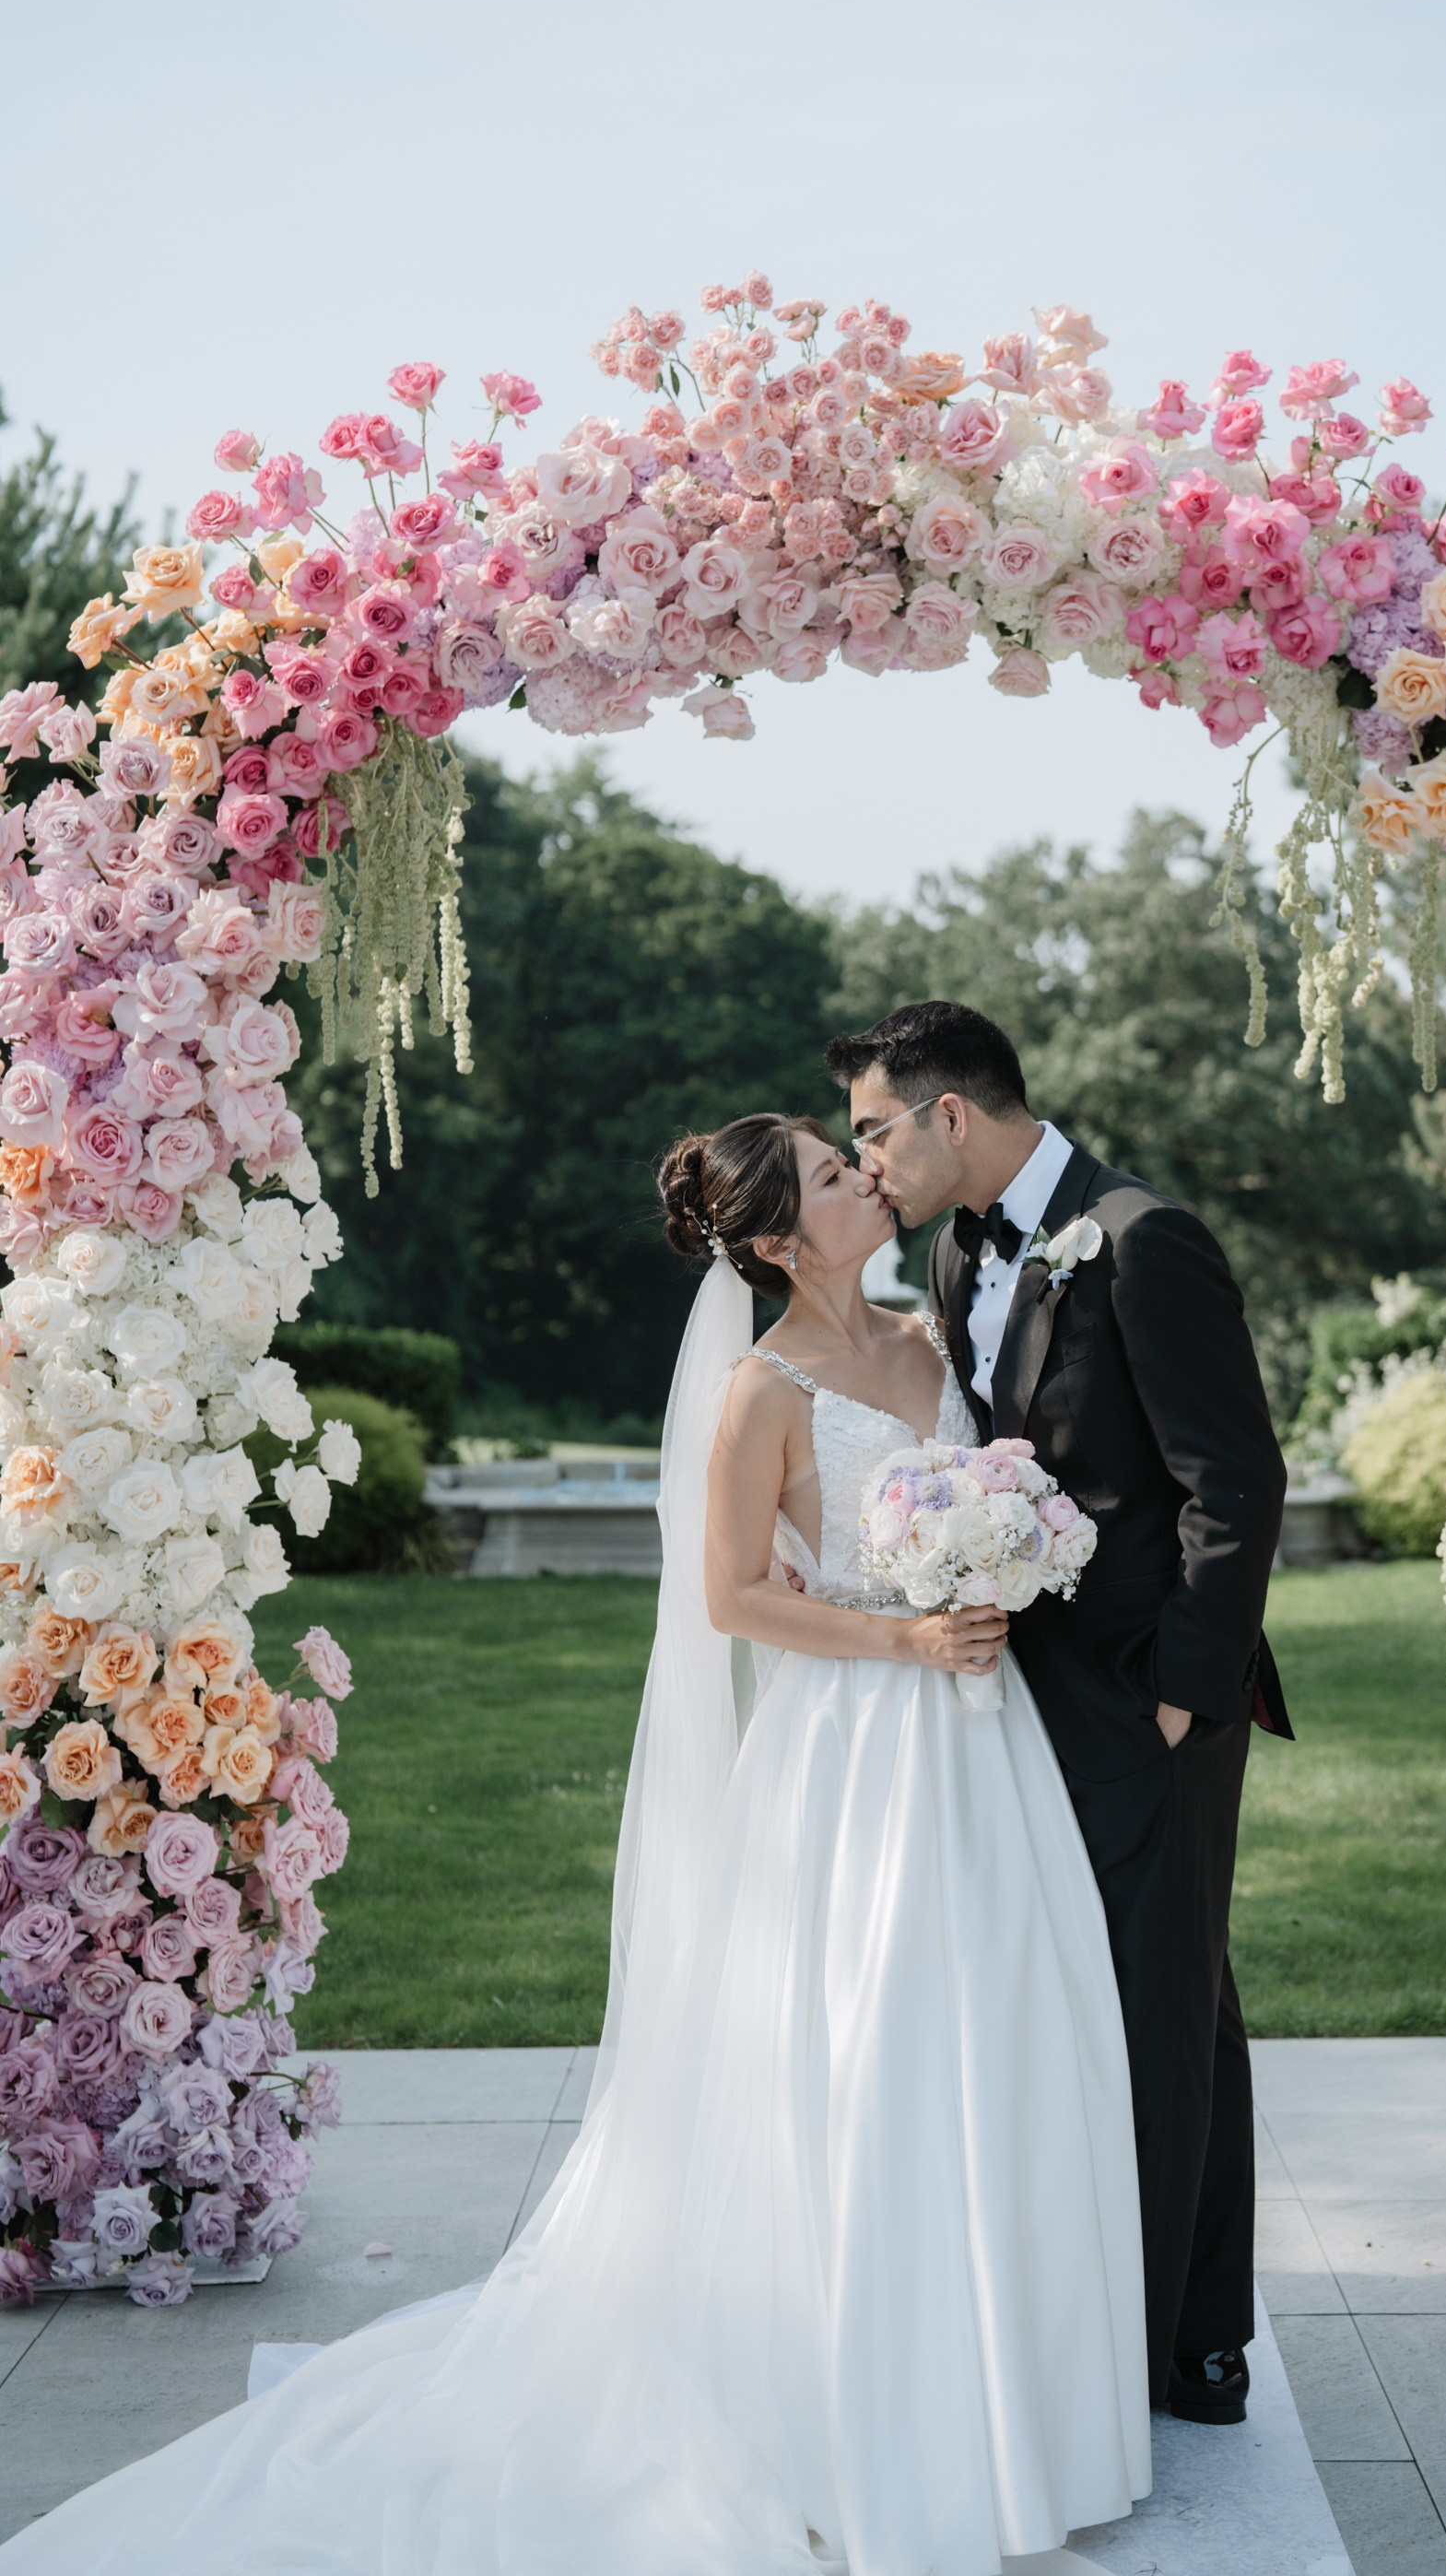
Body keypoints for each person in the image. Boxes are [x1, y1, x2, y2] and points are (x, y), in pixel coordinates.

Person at [0, 1110, 1149, 2576]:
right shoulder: (763, 1390)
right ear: (784, 1240)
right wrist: (904, 1634)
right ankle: (858, 2417)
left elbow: (991, 1501)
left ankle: (1006, 2411)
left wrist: (999, 1562)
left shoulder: (933, 1350)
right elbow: (734, 1598)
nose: (870, 1178)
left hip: (980, 1745)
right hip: (856, 1742)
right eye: (837, 1174)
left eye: (859, 1163)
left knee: (989, 2041)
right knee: (866, 2051)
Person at [825, 1002, 1290, 2429]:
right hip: (1025, 1692)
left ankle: (1176, 2352)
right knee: (1118, 2007)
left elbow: (1238, 1484)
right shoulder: (966, 1247)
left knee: (1166, 2015)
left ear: (948, 1114)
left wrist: (1177, 1697)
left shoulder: (1141, 1237)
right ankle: (1142, 2323)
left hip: (1150, 1696)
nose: (869, 1163)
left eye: (874, 1131)